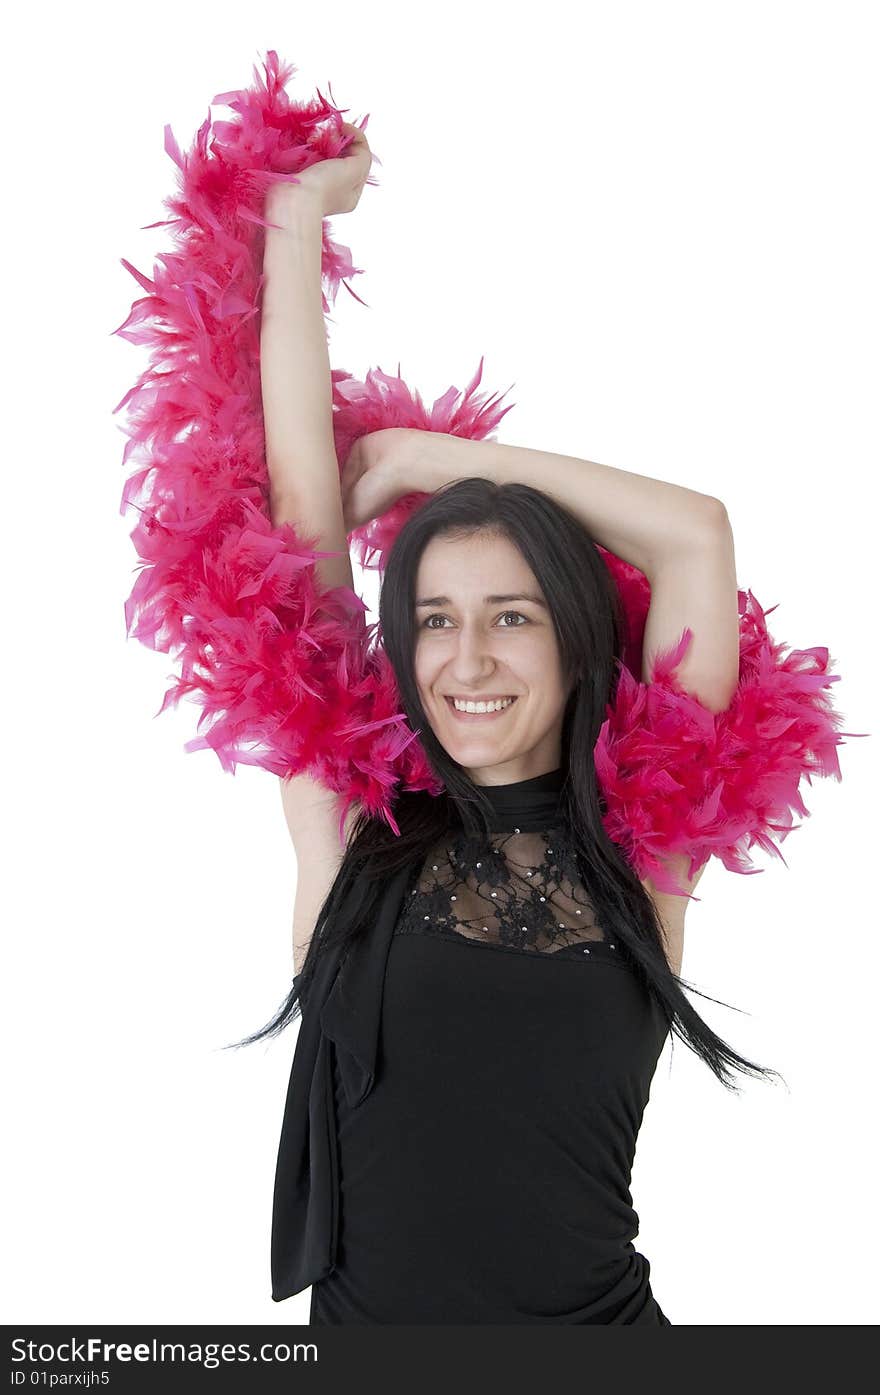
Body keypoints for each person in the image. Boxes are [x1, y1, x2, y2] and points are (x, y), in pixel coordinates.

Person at [244, 124, 783, 1326]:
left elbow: (694, 532)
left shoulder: (648, 839)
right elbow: (294, 518)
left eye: (512, 618)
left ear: (577, 640)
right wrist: (293, 221)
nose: (467, 660)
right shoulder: (353, 825)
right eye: (432, 621)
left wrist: (442, 463)